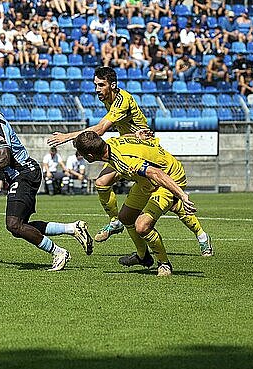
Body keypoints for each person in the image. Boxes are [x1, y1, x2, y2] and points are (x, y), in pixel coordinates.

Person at [48, 67, 212, 256]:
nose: (97, 89)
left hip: (143, 151)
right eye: (95, 85)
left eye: (101, 85)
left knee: (169, 199)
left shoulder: (121, 100)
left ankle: (201, 236)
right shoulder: (108, 100)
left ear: (113, 85)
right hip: (125, 148)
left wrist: (67, 136)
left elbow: (100, 130)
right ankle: (116, 222)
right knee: (101, 183)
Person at [0, 89, 93, 271]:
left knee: (14, 225)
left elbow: (4, 158)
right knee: (19, 227)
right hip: (23, 174)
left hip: (24, 173)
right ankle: (72, 228)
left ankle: (59, 252)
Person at [74, 131, 213, 276]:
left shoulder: (124, 160)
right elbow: (124, 138)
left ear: (90, 156)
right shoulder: (110, 143)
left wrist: (182, 195)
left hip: (169, 177)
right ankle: (143, 256)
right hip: (146, 181)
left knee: (142, 226)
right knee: (126, 218)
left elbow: (156, 174)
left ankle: (164, 264)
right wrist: (136, 135)